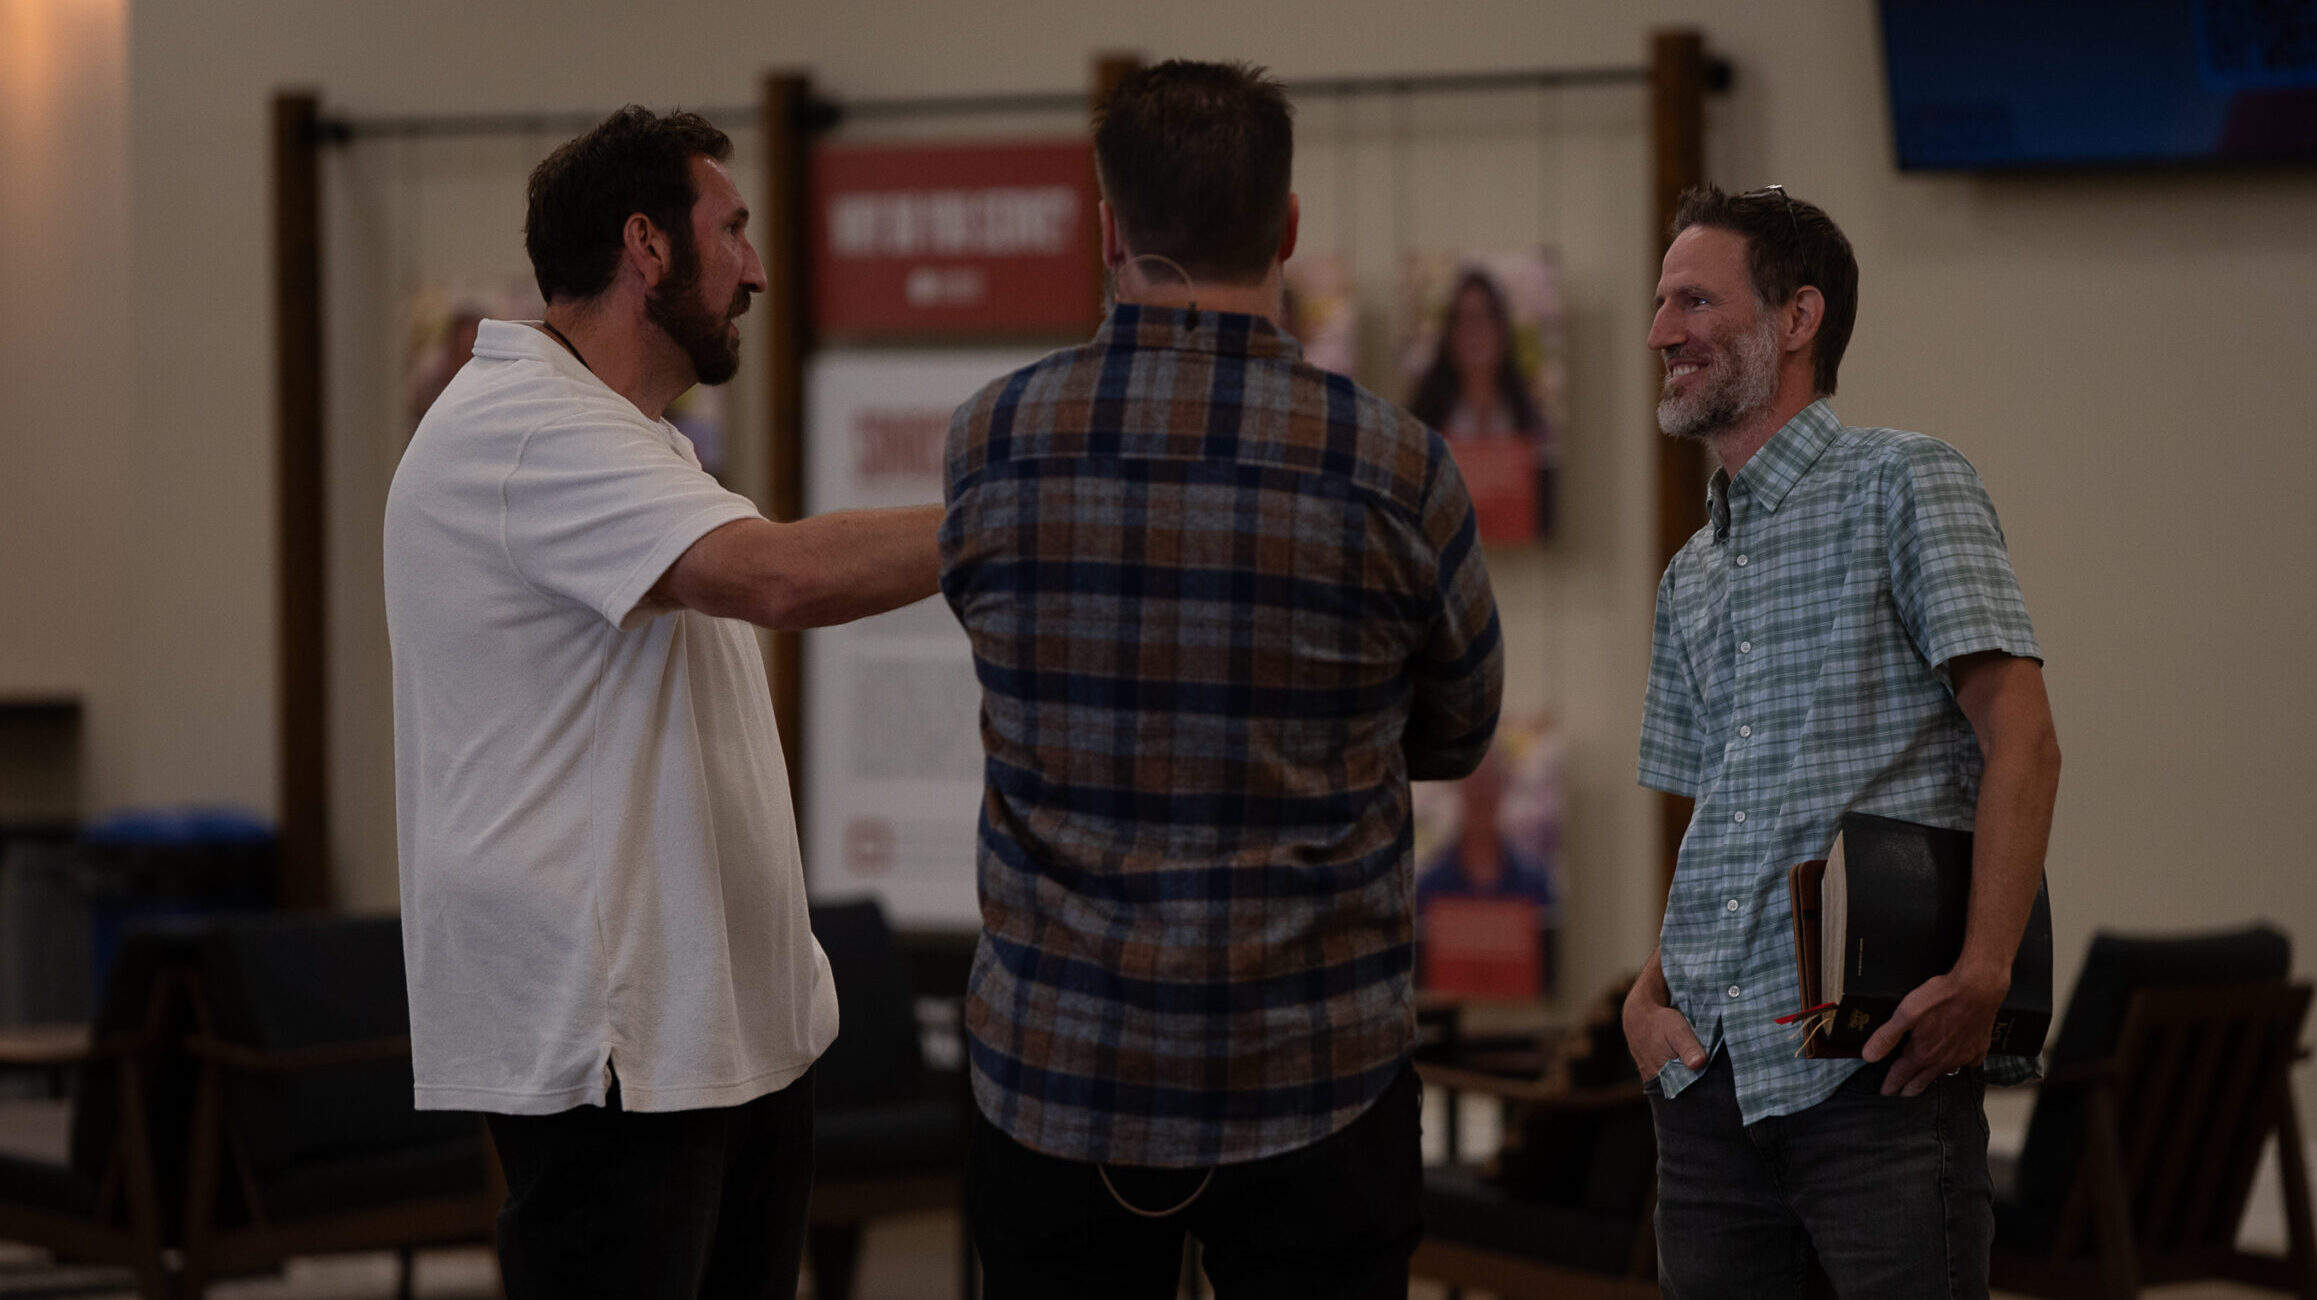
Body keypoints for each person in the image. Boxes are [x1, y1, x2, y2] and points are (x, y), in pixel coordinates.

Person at [940, 60, 1503, 1300]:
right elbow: (1462, 730)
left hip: (1058, 1066)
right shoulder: (1397, 467)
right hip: (1315, 1062)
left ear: (1107, 232)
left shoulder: (992, 440)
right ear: (1287, 225)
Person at [384, 106, 943, 1300]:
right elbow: (783, 578)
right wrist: (1024, 506)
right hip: (617, 1052)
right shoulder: (526, 430)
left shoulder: (631, 440)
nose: (757, 269)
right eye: (731, 230)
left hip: (714, 1036)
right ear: (647, 245)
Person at [1624, 184, 2062, 1297]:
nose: (1661, 331)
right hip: (1705, 1085)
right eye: (1661, 303)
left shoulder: (1903, 481)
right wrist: (1645, 993)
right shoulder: (1688, 573)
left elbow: (2022, 737)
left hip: (1875, 1076)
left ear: (1797, 317)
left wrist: (1984, 973)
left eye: (1693, 300)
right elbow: (1721, 815)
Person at [1407, 268, 1553, 540]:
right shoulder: (1424, 418)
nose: (1475, 331)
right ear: (1451, 334)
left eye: (1484, 317)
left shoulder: (1528, 417)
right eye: (1464, 319)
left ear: (1502, 330)